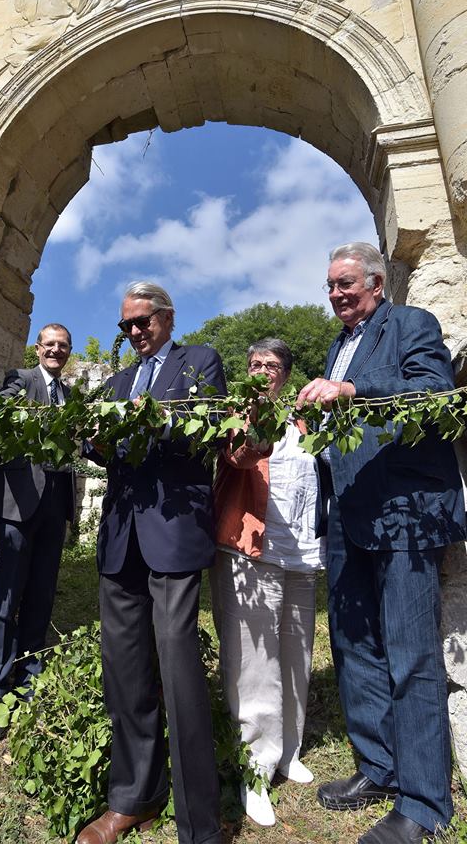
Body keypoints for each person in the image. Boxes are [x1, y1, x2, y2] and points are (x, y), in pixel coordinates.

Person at [296, 242, 466, 844]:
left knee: (410, 652)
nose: (338, 294)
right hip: (346, 513)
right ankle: (379, 767)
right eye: (331, 287)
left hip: (403, 512)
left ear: (375, 282)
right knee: (353, 643)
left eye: (346, 283)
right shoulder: (335, 346)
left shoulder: (411, 325)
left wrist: (349, 393)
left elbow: (435, 397)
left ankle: (422, 805)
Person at [76, 282, 226, 844]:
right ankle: (133, 797)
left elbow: (202, 427)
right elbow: (108, 454)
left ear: (167, 317)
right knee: (125, 672)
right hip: (120, 540)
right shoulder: (116, 382)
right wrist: (91, 436)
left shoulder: (199, 363)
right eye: (127, 326)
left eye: (144, 322)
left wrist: (147, 419)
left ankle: (199, 823)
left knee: (178, 671)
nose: (136, 333)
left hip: (173, 535)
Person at [211, 338, 324, 827]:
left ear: (287, 373)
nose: (261, 369)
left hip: (301, 553)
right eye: (254, 362)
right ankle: (254, 770)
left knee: (296, 652)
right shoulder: (236, 411)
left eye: (272, 364)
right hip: (249, 548)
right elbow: (236, 457)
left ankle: (287, 750)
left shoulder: (303, 419)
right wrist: (254, 413)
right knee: (254, 662)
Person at [0, 323, 76, 741]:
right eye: (49, 344)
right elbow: (4, 408)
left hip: (55, 502)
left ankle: (29, 674)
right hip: (18, 500)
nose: (56, 350)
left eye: (63, 346)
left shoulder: (73, 397)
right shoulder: (21, 379)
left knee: (42, 592)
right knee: (8, 592)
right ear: (38, 349)